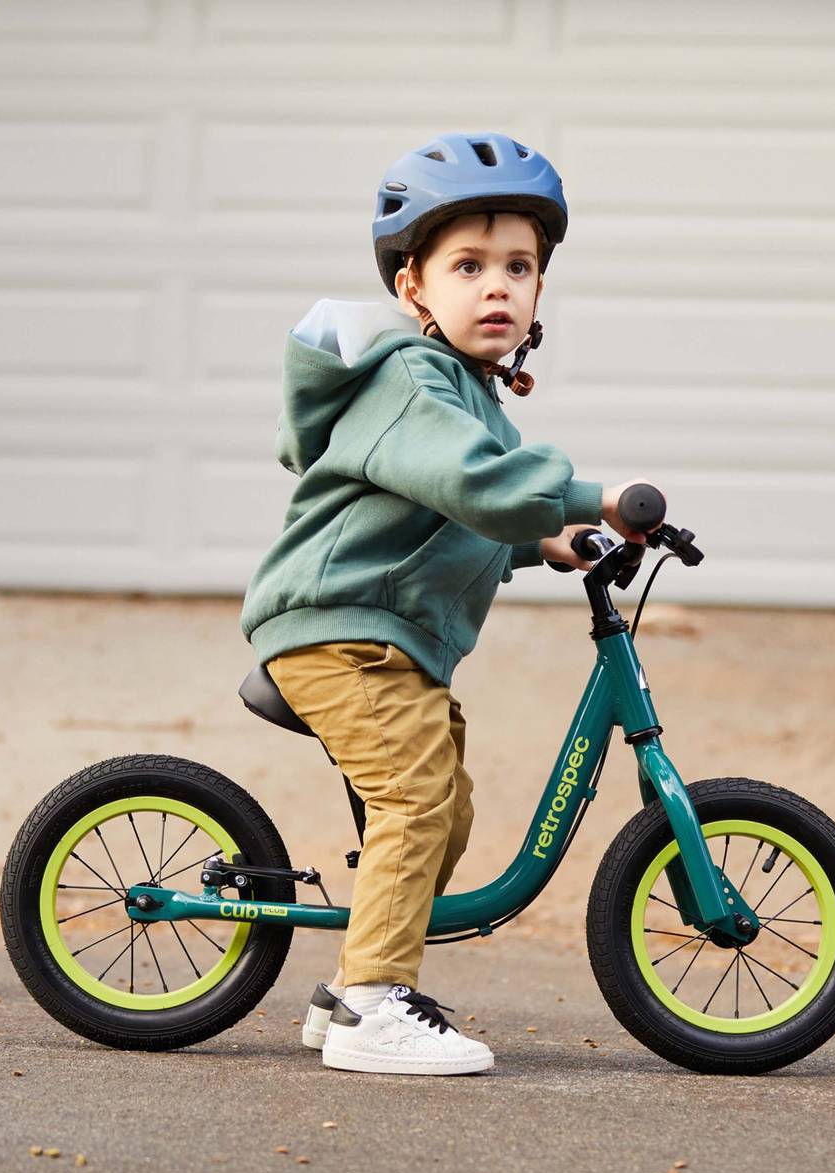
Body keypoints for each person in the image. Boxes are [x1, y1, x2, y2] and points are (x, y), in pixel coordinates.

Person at [240, 131, 653, 1074]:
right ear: (413, 286)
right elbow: (473, 483)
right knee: (415, 798)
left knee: (446, 815)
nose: (498, 286)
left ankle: (350, 985)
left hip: (391, 643)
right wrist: (589, 498)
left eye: (519, 266)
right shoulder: (412, 382)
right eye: (468, 265)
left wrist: (549, 539)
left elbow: (467, 509)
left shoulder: (473, 401)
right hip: (340, 633)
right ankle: (371, 1006)